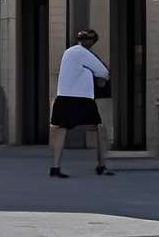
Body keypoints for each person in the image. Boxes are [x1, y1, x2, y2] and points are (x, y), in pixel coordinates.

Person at [49, 28, 114, 178]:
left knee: (61, 129)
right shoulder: (81, 52)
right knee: (99, 128)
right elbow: (103, 71)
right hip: (80, 98)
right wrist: (100, 77)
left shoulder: (69, 52)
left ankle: (55, 167)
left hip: (64, 97)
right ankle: (101, 165)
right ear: (90, 41)